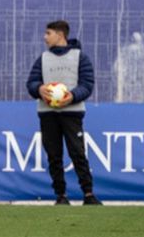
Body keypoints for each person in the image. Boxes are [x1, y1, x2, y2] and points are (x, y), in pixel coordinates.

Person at [26, 19, 101, 206]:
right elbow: (31, 83)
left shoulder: (80, 57)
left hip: (72, 113)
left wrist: (72, 96)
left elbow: (87, 84)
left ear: (60, 35)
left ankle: (88, 194)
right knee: (54, 155)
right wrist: (39, 89)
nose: (45, 38)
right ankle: (61, 196)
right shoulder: (42, 59)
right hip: (47, 113)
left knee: (77, 152)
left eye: (48, 33)